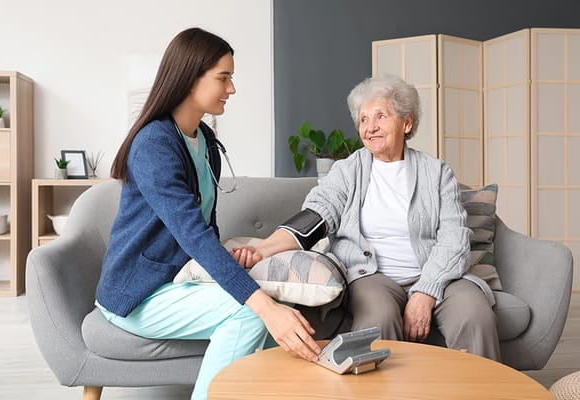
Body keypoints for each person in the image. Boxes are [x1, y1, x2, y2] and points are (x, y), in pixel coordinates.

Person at [94, 27, 320, 400]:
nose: (231, 89)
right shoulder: (154, 143)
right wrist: (262, 305)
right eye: (224, 78)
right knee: (252, 312)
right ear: (189, 77)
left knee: (273, 305)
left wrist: (230, 266)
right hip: (139, 293)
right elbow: (192, 234)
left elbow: (206, 228)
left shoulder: (205, 140)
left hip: (178, 278)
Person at [233, 74, 501, 361]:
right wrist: (262, 249)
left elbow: (454, 238)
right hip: (371, 275)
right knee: (378, 317)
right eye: (363, 119)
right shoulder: (348, 171)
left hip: (436, 274)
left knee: (474, 314)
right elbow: (315, 217)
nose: (370, 127)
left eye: (381, 116)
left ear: (407, 123)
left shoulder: (437, 173)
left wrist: (426, 290)